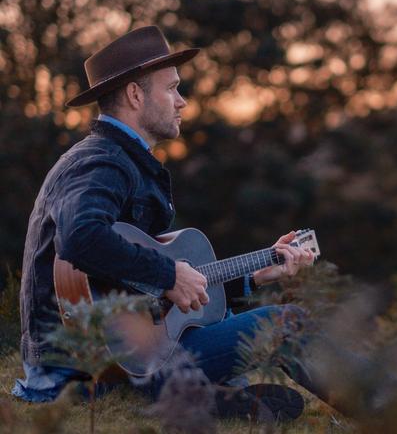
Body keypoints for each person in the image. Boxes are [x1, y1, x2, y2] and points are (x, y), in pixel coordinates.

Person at [13, 26, 316, 419]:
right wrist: (170, 274)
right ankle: (385, 409)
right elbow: (80, 238)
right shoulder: (102, 162)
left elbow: (139, 290)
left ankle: (205, 397)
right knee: (289, 322)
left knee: (228, 326)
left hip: (111, 357)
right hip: (85, 367)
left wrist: (255, 276)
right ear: (135, 95)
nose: (183, 102)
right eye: (171, 88)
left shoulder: (115, 157)